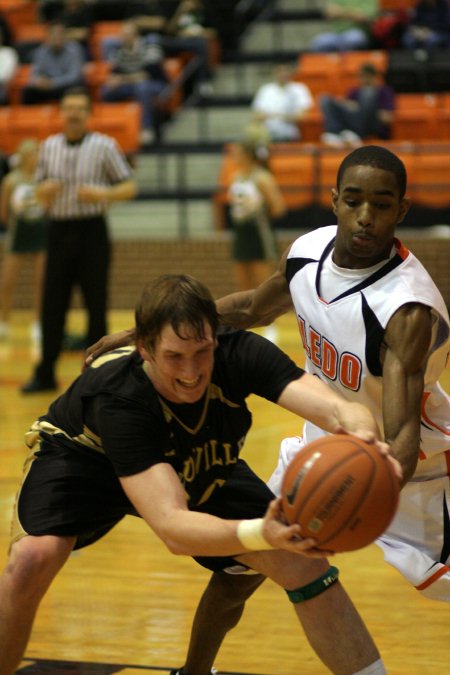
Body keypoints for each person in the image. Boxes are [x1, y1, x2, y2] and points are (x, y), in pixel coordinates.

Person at [86, 145, 450, 674]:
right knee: (243, 564)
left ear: (402, 211)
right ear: (333, 201)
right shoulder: (308, 252)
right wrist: (143, 333)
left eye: (381, 203)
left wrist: (351, 501)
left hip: (413, 473)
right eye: (354, 201)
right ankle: (193, 672)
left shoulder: (405, 309)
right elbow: (253, 308)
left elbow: (401, 439)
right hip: (321, 451)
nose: (366, 216)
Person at [0, 272, 398, 675]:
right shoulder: (119, 394)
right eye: (174, 356)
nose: (191, 371)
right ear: (145, 349)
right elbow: (172, 526)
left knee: (304, 565)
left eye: (202, 352)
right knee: (33, 558)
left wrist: (366, 442)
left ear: (215, 337)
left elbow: (337, 409)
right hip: (87, 458)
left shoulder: (239, 352)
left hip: (189, 457)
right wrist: (262, 531)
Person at [20, 87, 137, 394]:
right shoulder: (48, 147)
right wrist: (42, 193)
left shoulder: (104, 146)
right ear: (61, 112)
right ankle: (45, 372)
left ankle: (98, 375)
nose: (73, 113)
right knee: (52, 304)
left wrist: (103, 194)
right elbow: (39, 192)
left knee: (95, 303)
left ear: (88, 113)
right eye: (68, 107)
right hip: (58, 230)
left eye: (79, 108)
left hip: (92, 231)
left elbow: (128, 187)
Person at [0, 139, 47, 342]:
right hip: (18, 235)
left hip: (41, 234)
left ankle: (37, 322)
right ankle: (3, 321)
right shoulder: (11, 180)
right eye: (33, 154)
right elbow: (3, 213)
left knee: (41, 281)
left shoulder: (43, 180)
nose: (36, 158)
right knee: (8, 281)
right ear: (25, 156)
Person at [226, 140, 286, 292]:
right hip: (240, 231)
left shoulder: (262, 177)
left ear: (248, 155)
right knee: (242, 284)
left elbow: (278, 208)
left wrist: (258, 213)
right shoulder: (235, 177)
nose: (234, 156)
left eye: (237, 153)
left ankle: (266, 315)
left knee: (263, 285)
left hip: (258, 231)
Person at [100, 20, 168, 146]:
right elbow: (115, 72)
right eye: (122, 34)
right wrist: (112, 81)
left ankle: (146, 128)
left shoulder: (149, 46)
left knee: (142, 87)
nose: (124, 37)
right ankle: (111, 128)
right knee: (106, 91)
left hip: (156, 84)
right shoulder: (119, 50)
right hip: (130, 85)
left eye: (127, 34)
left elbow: (148, 75)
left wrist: (123, 79)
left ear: (136, 35)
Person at [319, 63, 395, 148]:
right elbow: (348, 109)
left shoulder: (384, 91)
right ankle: (334, 133)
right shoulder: (354, 91)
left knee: (368, 93)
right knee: (325, 99)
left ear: (373, 76)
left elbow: (387, 117)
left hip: (371, 123)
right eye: (360, 76)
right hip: (354, 121)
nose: (362, 79)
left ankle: (351, 134)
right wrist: (347, 105)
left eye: (366, 76)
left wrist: (366, 109)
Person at [21, 21, 85, 105]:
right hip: (46, 88)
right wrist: (38, 81)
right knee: (28, 91)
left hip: (64, 86)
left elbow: (75, 76)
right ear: (48, 36)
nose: (57, 37)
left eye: (60, 34)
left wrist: (53, 83)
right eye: (53, 34)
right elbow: (34, 74)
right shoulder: (41, 52)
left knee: (76, 87)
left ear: (65, 36)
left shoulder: (75, 50)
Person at [251, 63, 313, 143]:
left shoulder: (299, 89)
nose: (283, 74)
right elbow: (257, 115)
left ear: (291, 72)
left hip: (290, 135)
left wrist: (273, 115)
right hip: (266, 136)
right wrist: (284, 116)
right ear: (275, 73)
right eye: (280, 71)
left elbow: (302, 115)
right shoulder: (265, 89)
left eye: (286, 71)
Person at [309, 0, 378, 52]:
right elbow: (329, 13)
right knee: (319, 43)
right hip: (337, 34)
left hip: (359, 33)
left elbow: (364, 17)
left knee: (353, 39)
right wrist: (352, 13)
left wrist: (340, 12)